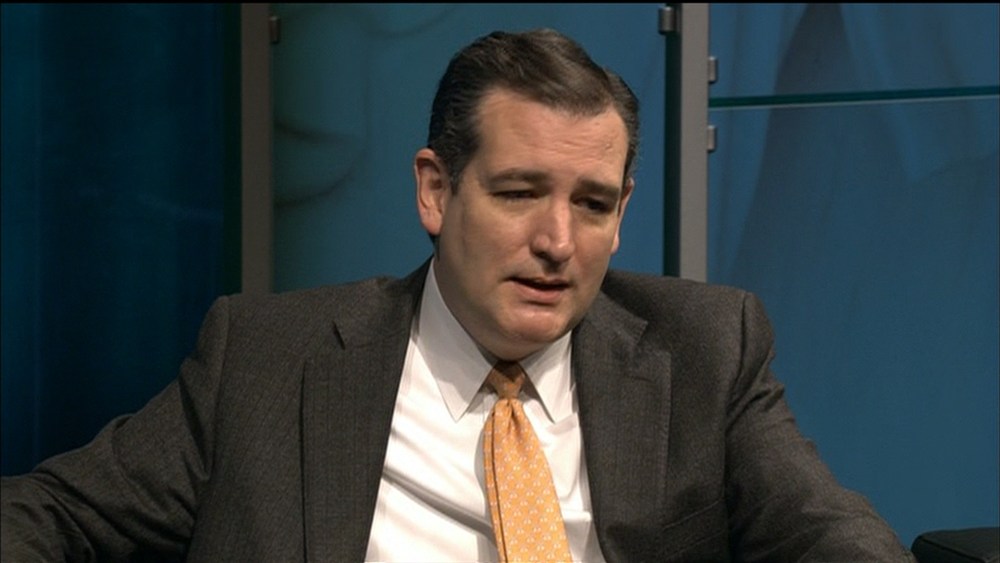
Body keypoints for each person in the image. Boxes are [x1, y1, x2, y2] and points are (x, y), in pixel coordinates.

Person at [1, 28, 914, 562]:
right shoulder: (269, 359)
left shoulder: (705, 349)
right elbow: (52, 516)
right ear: (436, 191)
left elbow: (833, 536)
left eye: (592, 204)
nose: (557, 241)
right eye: (519, 193)